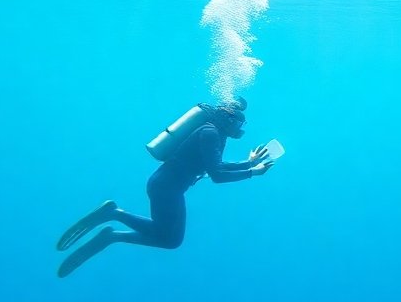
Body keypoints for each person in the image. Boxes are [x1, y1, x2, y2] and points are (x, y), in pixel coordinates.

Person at [56, 99, 274, 277]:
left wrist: (249, 163)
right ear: (229, 119)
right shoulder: (210, 133)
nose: (240, 129)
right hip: (166, 188)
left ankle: (113, 228)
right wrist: (253, 172)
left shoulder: (212, 133)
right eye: (239, 123)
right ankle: (113, 221)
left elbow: (216, 166)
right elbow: (217, 175)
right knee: (168, 239)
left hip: (168, 187)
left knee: (171, 240)